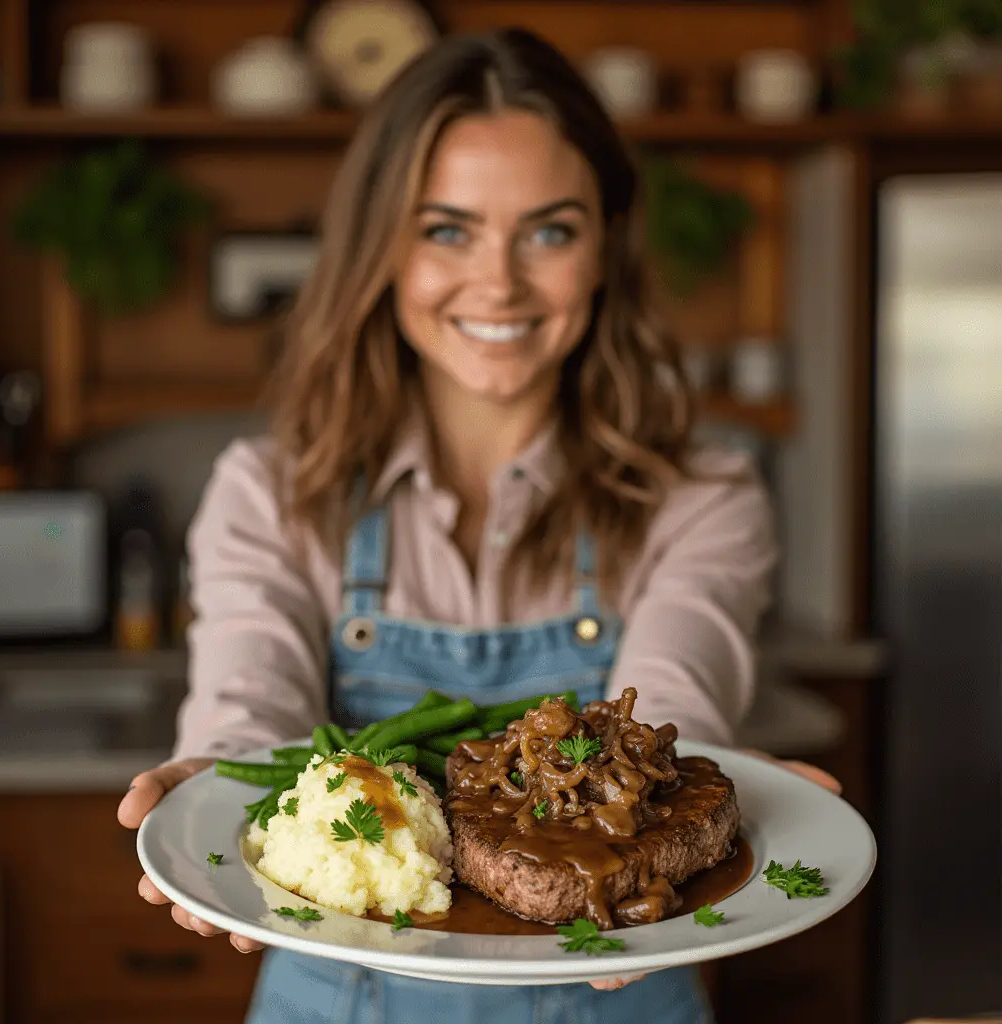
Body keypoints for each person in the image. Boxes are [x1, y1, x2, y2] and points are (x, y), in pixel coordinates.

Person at [118, 26, 841, 1024]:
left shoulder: (701, 494)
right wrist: (213, 787)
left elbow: (683, 703)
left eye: (549, 230)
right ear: (381, 245)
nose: (497, 283)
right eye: (445, 229)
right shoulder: (272, 488)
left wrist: (729, 809)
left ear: (605, 247)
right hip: (333, 993)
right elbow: (254, 708)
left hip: (623, 973)